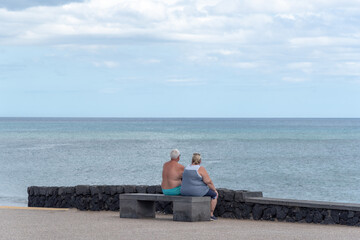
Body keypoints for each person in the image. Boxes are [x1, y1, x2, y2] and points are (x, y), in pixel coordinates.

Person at [180, 153, 218, 220]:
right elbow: (208, 182)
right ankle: (211, 214)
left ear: (192, 160)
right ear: (200, 161)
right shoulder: (200, 168)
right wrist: (214, 190)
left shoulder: (186, 168)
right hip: (196, 191)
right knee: (214, 195)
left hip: (184, 191)